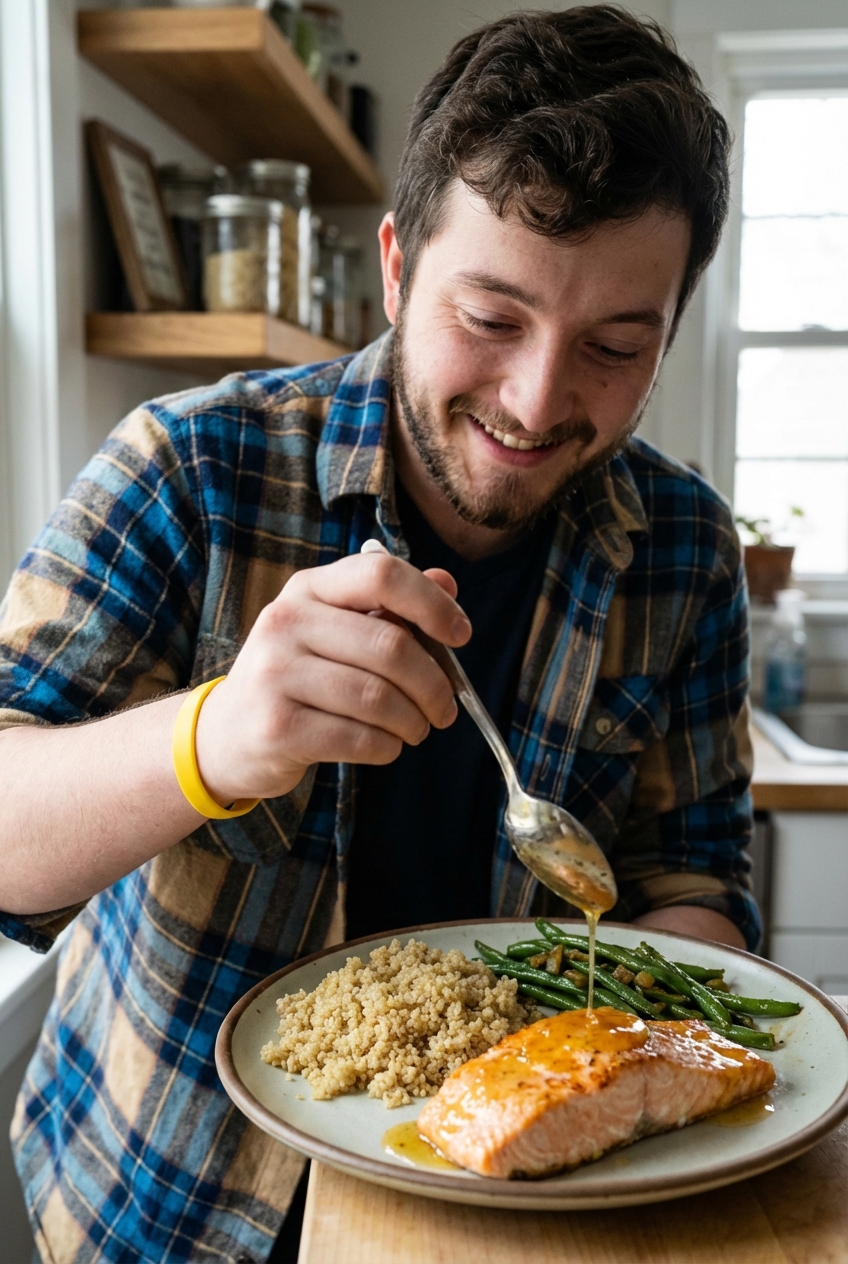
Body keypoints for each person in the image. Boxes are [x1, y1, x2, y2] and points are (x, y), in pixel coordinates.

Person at [1, 7, 756, 1262]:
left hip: (534, 1206)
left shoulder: (683, 549)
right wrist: (216, 737)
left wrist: (626, 1054)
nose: (534, 401)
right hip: (165, 1205)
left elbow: (691, 880)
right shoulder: (188, 468)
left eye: (616, 347)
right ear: (397, 268)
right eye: (492, 318)